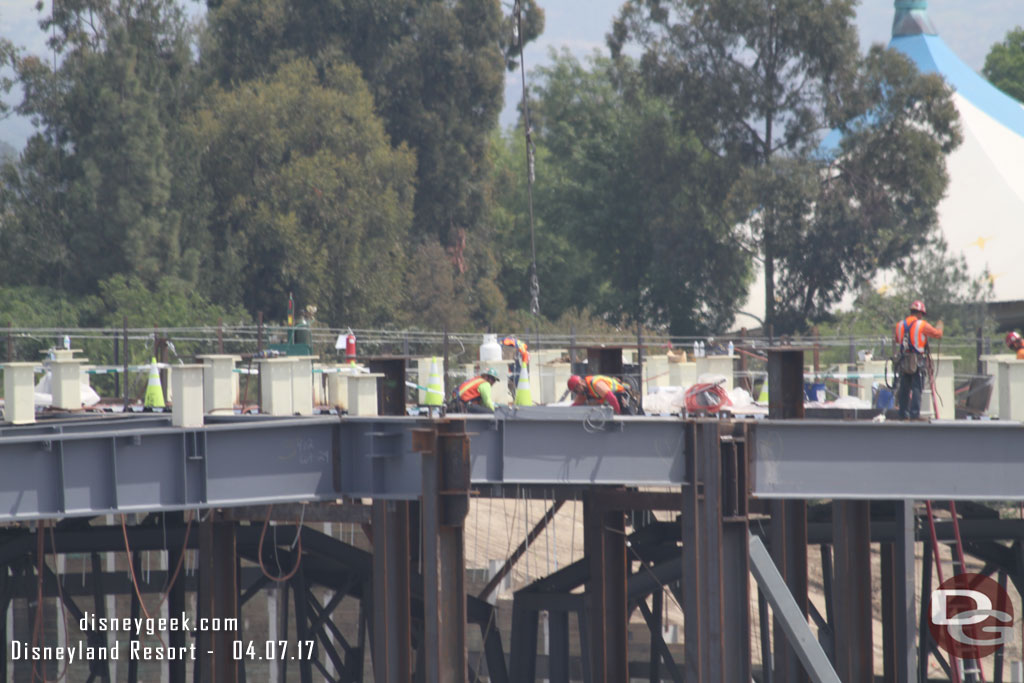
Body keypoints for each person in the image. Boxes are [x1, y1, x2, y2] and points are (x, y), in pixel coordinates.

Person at [893, 299, 943, 419]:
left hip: (904, 361)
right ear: (920, 313)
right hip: (918, 361)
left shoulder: (899, 325)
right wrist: (940, 325)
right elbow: (938, 334)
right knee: (916, 388)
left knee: (904, 388)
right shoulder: (922, 325)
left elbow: (897, 339)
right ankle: (914, 415)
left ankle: (903, 414)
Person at [567, 374, 633, 415]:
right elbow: (575, 406)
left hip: (622, 396)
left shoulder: (595, 384)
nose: (577, 392)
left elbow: (612, 398)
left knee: (628, 418)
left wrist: (618, 413)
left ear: (581, 383)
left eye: (576, 389)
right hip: (614, 400)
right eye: (575, 391)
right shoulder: (584, 391)